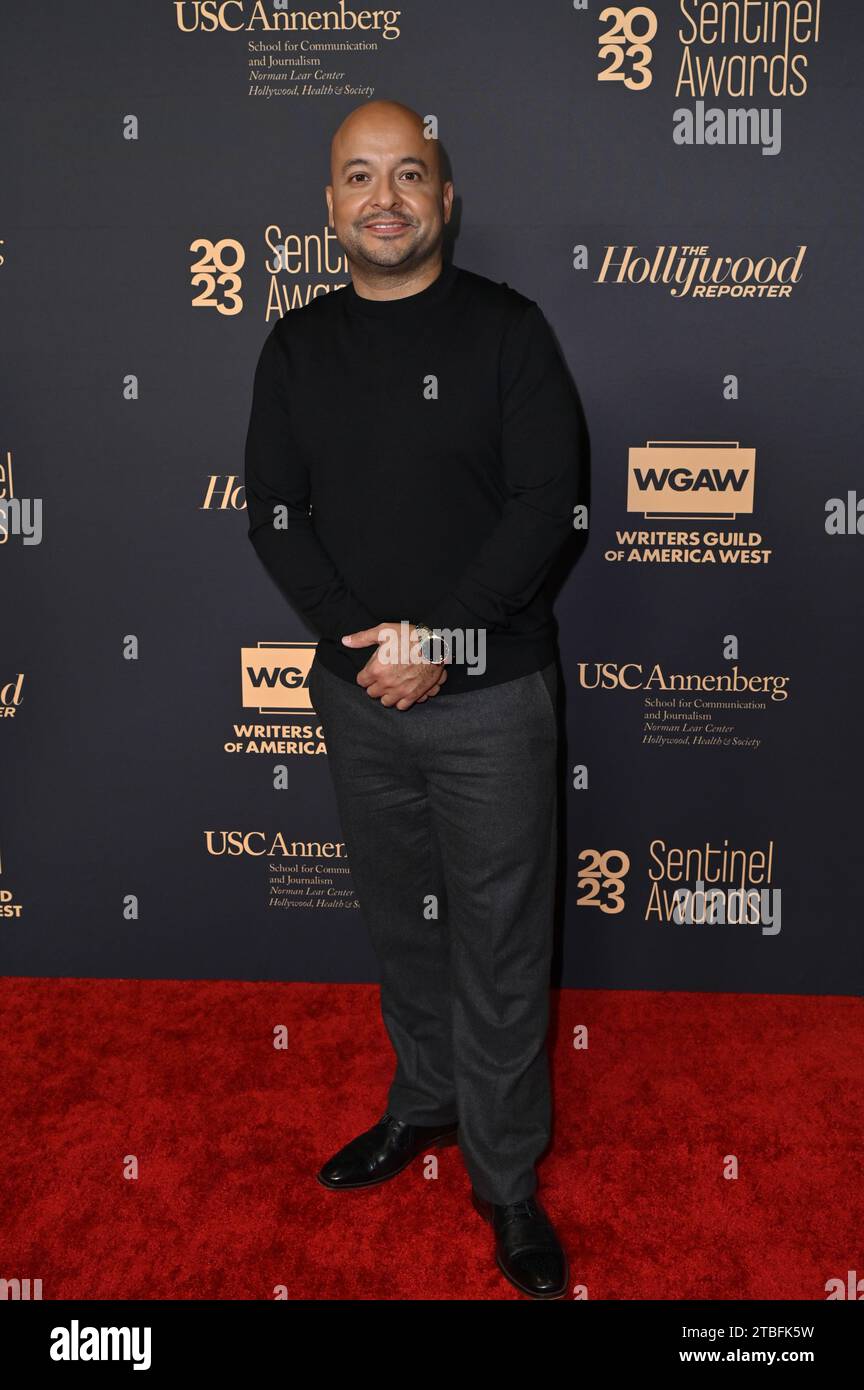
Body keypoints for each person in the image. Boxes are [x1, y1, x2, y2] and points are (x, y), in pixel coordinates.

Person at [244, 98, 587, 1299]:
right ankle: (424, 1102)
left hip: (492, 691)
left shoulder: (510, 332)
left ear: (446, 200)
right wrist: (365, 641)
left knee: (499, 937)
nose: (383, 197)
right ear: (327, 208)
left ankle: (504, 1177)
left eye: (408, 175)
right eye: (357, 178)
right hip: (358, 695)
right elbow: (274, 514)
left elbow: (547, 504)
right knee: (403, 921)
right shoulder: (293, 347)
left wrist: (437, 637)